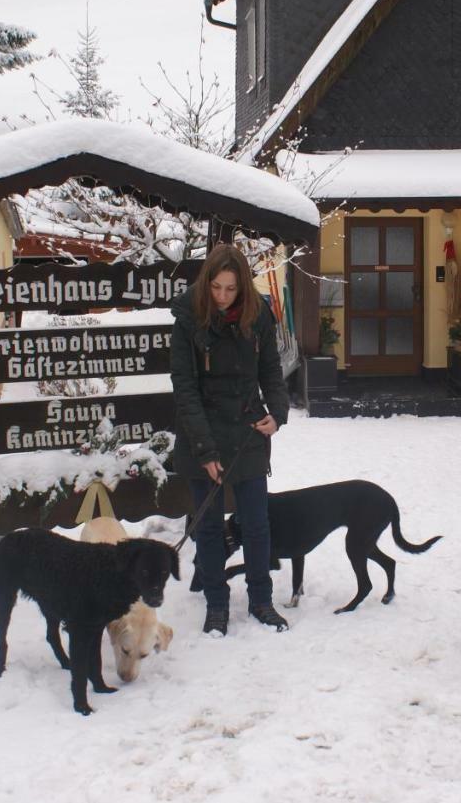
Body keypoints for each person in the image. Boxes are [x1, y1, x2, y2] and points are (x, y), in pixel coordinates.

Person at [169, 243, 291, 636]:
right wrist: (204, 450)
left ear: (242, 289)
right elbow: (185, 388)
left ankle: (261, 600)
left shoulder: (258, 318)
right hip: (201, 434)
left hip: (247, 433)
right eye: (217, 287)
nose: (222, 296)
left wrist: (278, 411)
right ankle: (216, 604)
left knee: (257, 523)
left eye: (231, 289)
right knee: (208, 527)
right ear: (207, 284)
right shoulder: (188, 320)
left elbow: (271, 370)